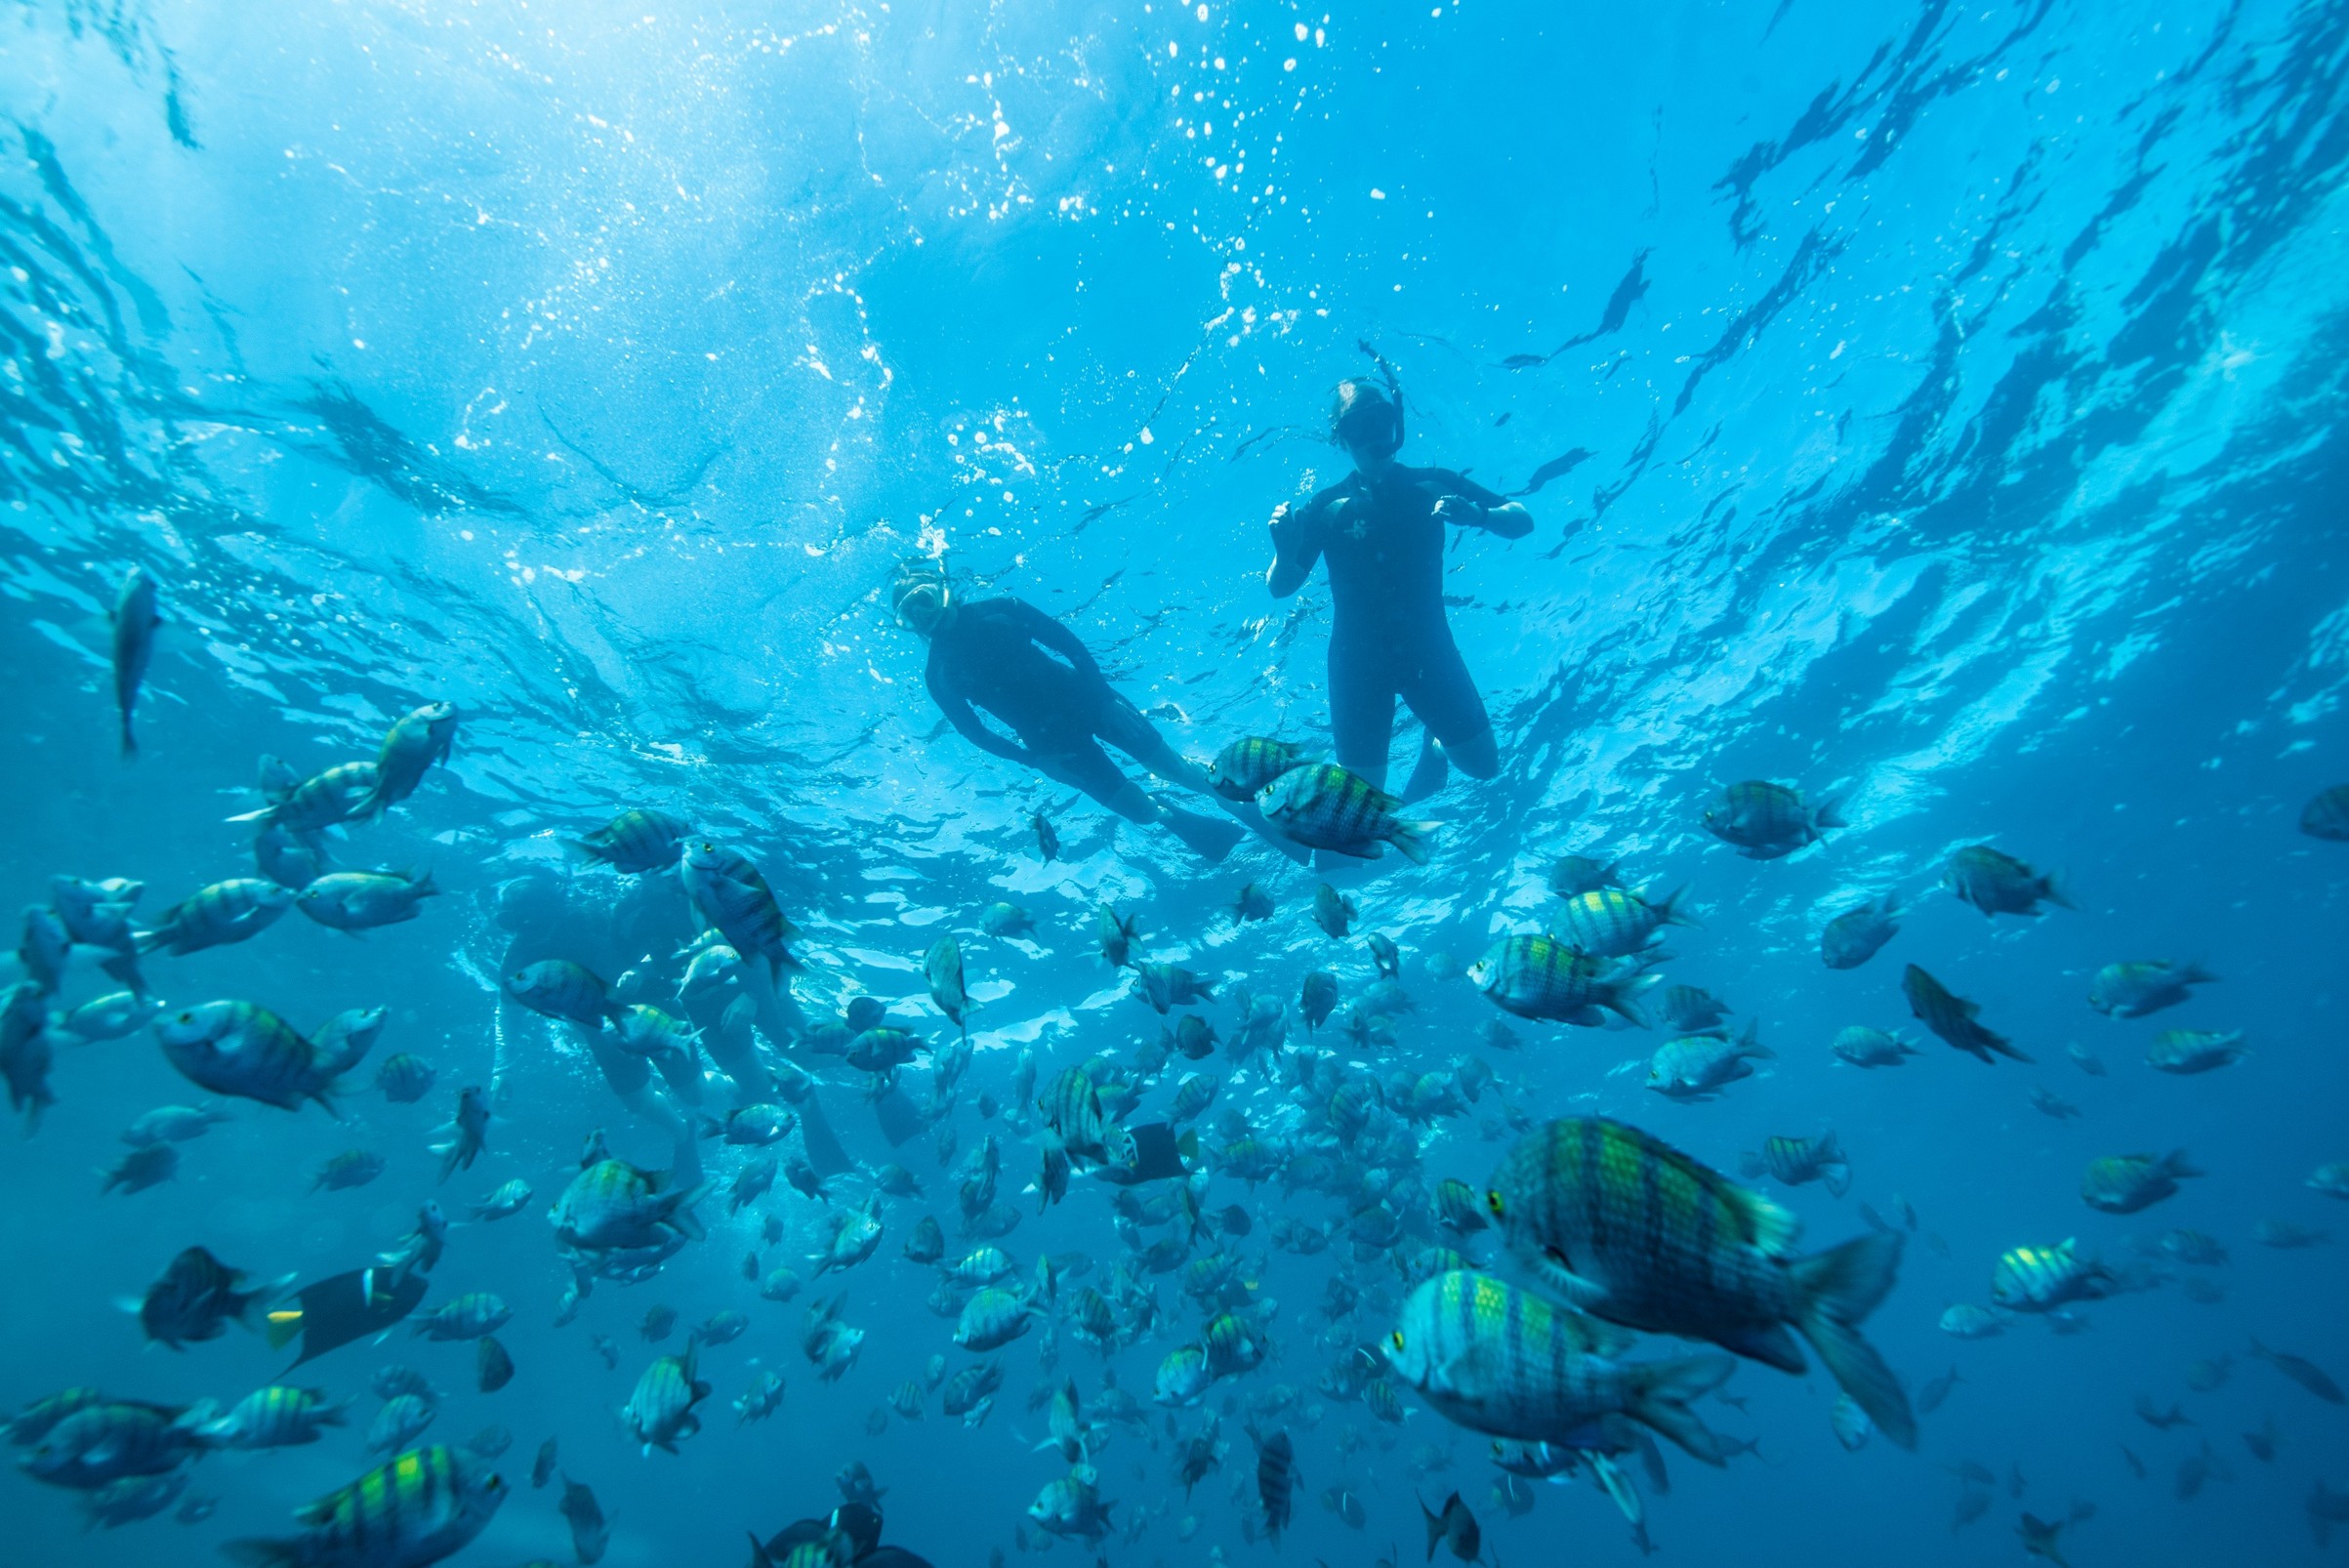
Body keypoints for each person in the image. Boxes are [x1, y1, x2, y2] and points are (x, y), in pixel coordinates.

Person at [894, 562, 1298, 863]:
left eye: (922, 601)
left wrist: (1103, 697)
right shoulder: (939, 675)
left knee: (1172, 767)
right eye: (908, 615)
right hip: (1052, 744)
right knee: (1139, 813)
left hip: (1089, 700)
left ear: (943, 589)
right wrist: (1035, 760)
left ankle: (1236, 801)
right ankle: (1163, 811)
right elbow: (974, 733)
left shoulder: (1002, 608)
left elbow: (1068, 644)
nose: (922, 616)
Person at [1264, 374, 1533, 801]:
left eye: (1381, 421)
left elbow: (1521, 518)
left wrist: (1479, 515)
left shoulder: (1432, 483)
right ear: (1341, 439)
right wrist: (1284, 552)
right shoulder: (1326, 507)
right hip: (1357, 664)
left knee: (1484, 767)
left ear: (1396, 424)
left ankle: (1437, 746)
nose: (1374, 437)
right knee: (1363, 799)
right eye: (1358, 427)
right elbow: (1282, 586)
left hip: (1429, 651)